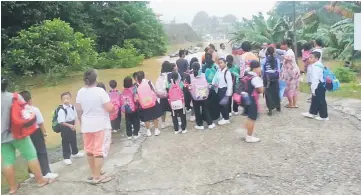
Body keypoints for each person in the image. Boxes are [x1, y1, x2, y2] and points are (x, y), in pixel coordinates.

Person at [1, 78, 54, 194]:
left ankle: (13, 188)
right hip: (18, 133)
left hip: (2, 138)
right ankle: (40, 180)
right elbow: (27, 112)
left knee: (7, 161)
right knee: (31, 155)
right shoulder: (14, 97)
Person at [76, 69, 113, 184]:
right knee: (99, 151)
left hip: (86, 125)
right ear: (96, 79)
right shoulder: (100, 92)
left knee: (90, 150)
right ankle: (97, 177)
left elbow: (78, 109)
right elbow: (109, 108)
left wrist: (82, 121)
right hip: (101, 125)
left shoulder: (80, 92)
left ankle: (93, 173)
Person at [19, 91, 59, 179]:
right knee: (41, 152)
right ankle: (46, 172)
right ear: (30, 100)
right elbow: (40, 124)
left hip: (25, 134)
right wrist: (44, 134)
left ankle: (31, 172)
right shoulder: (34, 109)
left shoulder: (19, 111)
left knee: (30, 153)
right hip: (35, 132)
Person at [57, 92, 84, 165]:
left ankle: (75, 153)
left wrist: (75, 124)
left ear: (70, 99)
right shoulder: (61, 109)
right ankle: (66, 158)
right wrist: (70, 126)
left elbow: (75, 117)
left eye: (67, 98)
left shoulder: (72, 107)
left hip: (72, 124)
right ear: (61, 100)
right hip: (65, 126)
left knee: (73, 139)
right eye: (64, 99)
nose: (66, 100)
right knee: (65, 142)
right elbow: (61, 122)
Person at [302, 51, 329, 121]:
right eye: (309, 57)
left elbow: (315, 79)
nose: (309, 59)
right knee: (315, 99)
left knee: (321, 100)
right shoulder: (319, 64)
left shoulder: (315, 66)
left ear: (316, 58)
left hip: (318, 85)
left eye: (311, 57)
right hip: (320, 84)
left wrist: (313, 88)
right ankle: (312, 113)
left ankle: (324, 116)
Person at [189, 62, 216, 130]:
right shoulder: (203, 75)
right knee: (206, 109)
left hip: (195, 97)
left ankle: (199, 125)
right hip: (204, 95)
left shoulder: (190, 76)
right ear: (199, 68)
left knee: (197, 110)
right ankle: (210, 123)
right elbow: (208, 83)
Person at [136, 71, 163, 136]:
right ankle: (156, 130)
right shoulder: (149, 82)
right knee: (155, 116)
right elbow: (154, 90)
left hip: (143, 103)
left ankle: (148, 132)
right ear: (144, 76)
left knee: (146, 118)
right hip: (152, 102)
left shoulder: (137, 85)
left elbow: (136, 95)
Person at [243, 61, 264, 143]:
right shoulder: (255, 78)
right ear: (256, 68)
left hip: (245, 99)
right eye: (259, 67)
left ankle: (245, 132)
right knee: (252, 118)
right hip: (252, 100)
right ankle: (249, 136)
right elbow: (261, 90)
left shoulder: (247, 75)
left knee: (249, 117)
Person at [280, 39, 300, 108]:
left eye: (282, 44)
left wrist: (283, 56)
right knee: (294, 88)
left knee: (289, 88)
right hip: (294, 72)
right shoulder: (288, 52)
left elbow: (289, 58)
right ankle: (294, 104)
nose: (281, 46)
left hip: (291, 74)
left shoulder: (289, 53)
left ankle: (291, 104)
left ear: (286, 45)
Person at [261, 47, 281, 115]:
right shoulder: (277, 60)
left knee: (268, 93)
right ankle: (278, 106)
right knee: (275, 92)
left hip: (267, 79)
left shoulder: (264, 60)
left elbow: (262, 71)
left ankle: (270, 108)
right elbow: (278, 70)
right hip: (275, 78)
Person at [213, 58, 233, 125]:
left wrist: (228, 94)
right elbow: (216, 79)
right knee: (221, 105)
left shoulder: (227, 72)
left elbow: (230, 84)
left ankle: (226, 118)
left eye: (221, 63)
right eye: (219, 63)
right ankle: (224, 117)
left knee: (225, 106)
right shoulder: (218, 71)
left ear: (225, 63)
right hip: (219, 89)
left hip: (224, 90)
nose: (220, 64)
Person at [202, 52, 220, 121]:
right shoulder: (215, 65)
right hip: (215, 86)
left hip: (206, 87)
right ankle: (216, 116)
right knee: (215, 102)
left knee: (207, 103)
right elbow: (218, 74)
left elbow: (202, 77)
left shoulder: (203, 67)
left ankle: (207, 117)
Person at [159, 61, 173, 129]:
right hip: (171, 95)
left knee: (163, 110)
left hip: (163, 95)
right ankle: (174, 122)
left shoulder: (161, 75)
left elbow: (158, 86)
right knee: (172, 108)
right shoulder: (171, 74)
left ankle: (163, 123)